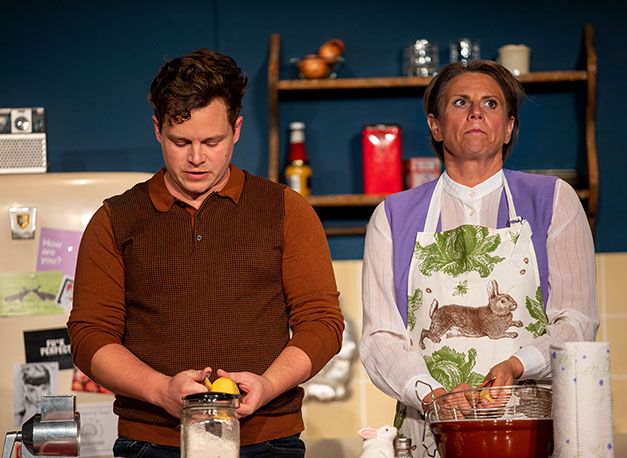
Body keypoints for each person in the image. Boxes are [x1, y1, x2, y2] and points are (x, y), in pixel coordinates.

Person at [67, 48, 344, 458]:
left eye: (212, 141)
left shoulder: (285, 209)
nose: (196, 158)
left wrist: (268, 384)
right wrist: (161, 390)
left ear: (237, 129)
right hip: (152, 443)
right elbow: (90, 335)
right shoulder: (116, 219)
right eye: (181, 142)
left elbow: (322, 322)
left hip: (265, 440)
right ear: (158, 129)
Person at [360, 60, 598, 455]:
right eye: (460, 102)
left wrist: (517, 364)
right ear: (435, 126)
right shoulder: (392, 217)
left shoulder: (554, 201)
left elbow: (577, 322)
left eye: (490, 103)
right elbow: (379, 338)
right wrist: (432, 394)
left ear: (508, 127)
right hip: (431, 430)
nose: (476, 112)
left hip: (529, 428)